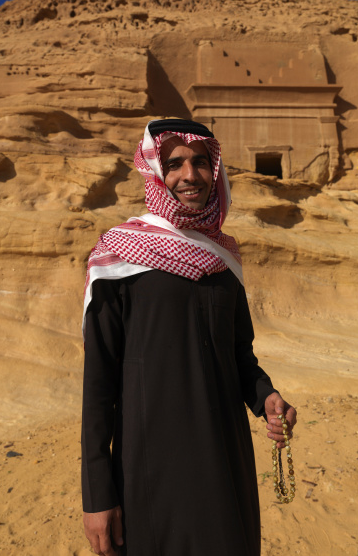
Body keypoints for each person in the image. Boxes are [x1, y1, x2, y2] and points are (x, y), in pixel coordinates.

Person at [81, 118, 297, 556]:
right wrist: (97, 495)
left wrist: (265, 396)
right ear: (155, 171)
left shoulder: (225, 259)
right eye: (174, 163)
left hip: (224, 460)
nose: (189, 175)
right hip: (150, 469)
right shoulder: (117, 255)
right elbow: (98, 386)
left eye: (200, 162)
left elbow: (239, 356)